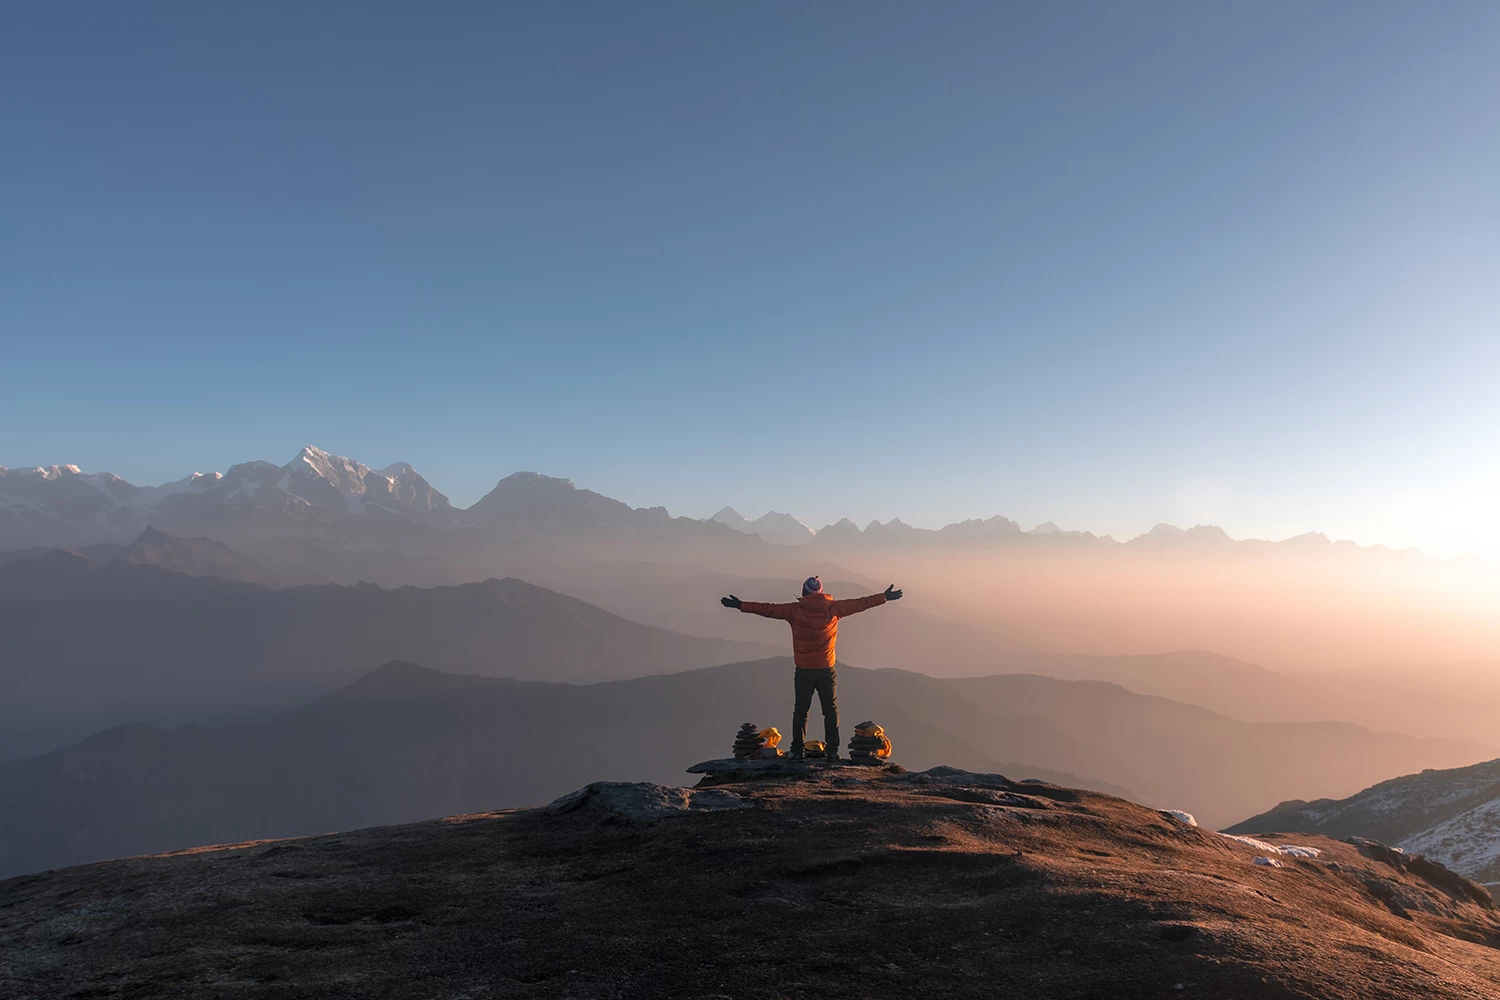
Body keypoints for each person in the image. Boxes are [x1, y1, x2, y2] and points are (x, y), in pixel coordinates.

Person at [721, 576, 902, 761]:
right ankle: (832, 752)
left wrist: (740, 605)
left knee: (801, 711)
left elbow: (768, 609)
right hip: (826, 669)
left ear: (804, 592)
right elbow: (860, 604)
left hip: (804, 670)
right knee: (830, 710)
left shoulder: (794, 610)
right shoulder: (834, 609)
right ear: (821, 592)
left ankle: (797, 750)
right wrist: (884, 597)